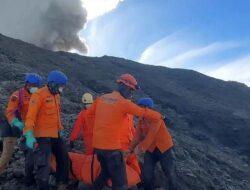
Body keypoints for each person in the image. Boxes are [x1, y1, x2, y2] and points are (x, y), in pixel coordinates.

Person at [87, 73, 162, 190]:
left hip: (98, 147)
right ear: (125, 86)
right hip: (112, 149)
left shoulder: (101, 98)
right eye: (131, 90)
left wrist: (96, 131)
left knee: (105, 172)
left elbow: (89, 115)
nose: (131, 93)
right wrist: (158, 116)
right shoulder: (123, 103)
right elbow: (142, 112)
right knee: (120, 183)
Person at [23, 70, 69, 190]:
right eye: (60, 86)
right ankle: (42, 186)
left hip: (56, 135)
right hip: (42, 136)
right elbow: (30, 116)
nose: (61, 89)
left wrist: (61, 129)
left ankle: (61, 183)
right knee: (44, 165)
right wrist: (28, 134)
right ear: (53, 84)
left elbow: (57, 116)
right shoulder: (38, 95)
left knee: (64, 158)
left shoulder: (56, 96)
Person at [0, 73, 42, 187]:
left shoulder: (36, 95)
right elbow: (9, 112)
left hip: (24, 126)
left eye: (36, 85)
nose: (33, 87)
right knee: (7, 153)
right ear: (26, 84)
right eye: (31, 84)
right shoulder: (17, 95)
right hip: (11, 126)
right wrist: (16, 123)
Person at [129, 98, 178, 190]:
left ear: (147, 108)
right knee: (147, 174)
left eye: (140, 107)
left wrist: (140, 149)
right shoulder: (141, 120)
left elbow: (151, 135)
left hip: (164, 148)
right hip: (151, 150)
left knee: (170, 173)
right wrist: (129, 149)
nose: (138, 109)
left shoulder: (156, 118)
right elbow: (137, 136)